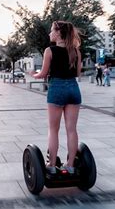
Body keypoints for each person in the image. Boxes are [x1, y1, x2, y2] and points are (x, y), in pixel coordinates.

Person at [31, 21, 82, 175]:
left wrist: (34, 74)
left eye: (52, 30)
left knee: (53, 129)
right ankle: (71, 165)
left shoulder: (49, 51)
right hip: (74, 89)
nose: (49, 33)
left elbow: (43, 74)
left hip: (57, 88)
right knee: (71, 130)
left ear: (59, 33)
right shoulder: (76, 51)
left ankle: (52, 165)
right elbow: (78, 74)